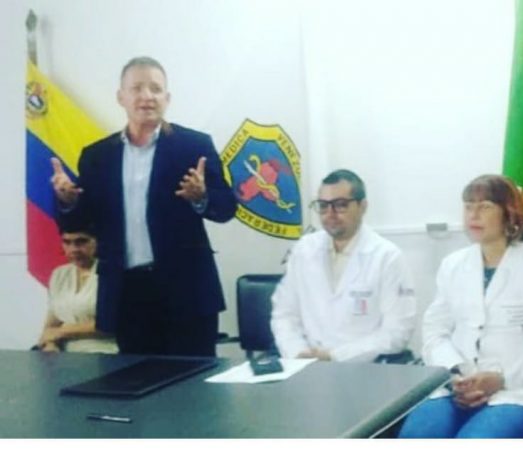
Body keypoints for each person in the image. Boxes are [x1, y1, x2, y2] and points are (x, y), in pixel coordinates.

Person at [50, 56, 237, 357]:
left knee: (194, 382)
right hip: (127, 295)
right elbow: (81, 224)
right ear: (121, 97)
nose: (147, 96)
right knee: (136, 381)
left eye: (155, 89)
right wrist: (67, 202)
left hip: (187, 292)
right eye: (136, 88)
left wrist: (201, 197)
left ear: (167, 98)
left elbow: (227, 208)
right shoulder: (97, 156)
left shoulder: (194, 146)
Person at [398, 174, 523, 438]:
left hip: (521, 391)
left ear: (509, 213)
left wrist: (500, 378)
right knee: (416, 437)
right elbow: (435, 332)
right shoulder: (453, 265)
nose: (474, 215)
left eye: (485, 206)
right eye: (468, 206)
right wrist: (455, 373)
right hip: (456, 387)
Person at [270, 169, 416, 362]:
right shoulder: (304, 250)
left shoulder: (387, 257)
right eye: (323, 206)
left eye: (340, 205)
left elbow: (397, 331)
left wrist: (334, 356)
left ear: (362, 206)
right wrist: (298, 353)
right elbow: (284, 314)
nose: (330, 214)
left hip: (365, 366)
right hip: (306, 365)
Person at [36, 224, 117, 353]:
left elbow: (112, 325)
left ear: (98, 241)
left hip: (105, 352)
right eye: (67, 242)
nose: (74, 249)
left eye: (81, 241)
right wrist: (50, 345)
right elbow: (51, 326)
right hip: (64, 353)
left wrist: (62, 332)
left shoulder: (113, 273)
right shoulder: (59, 274)